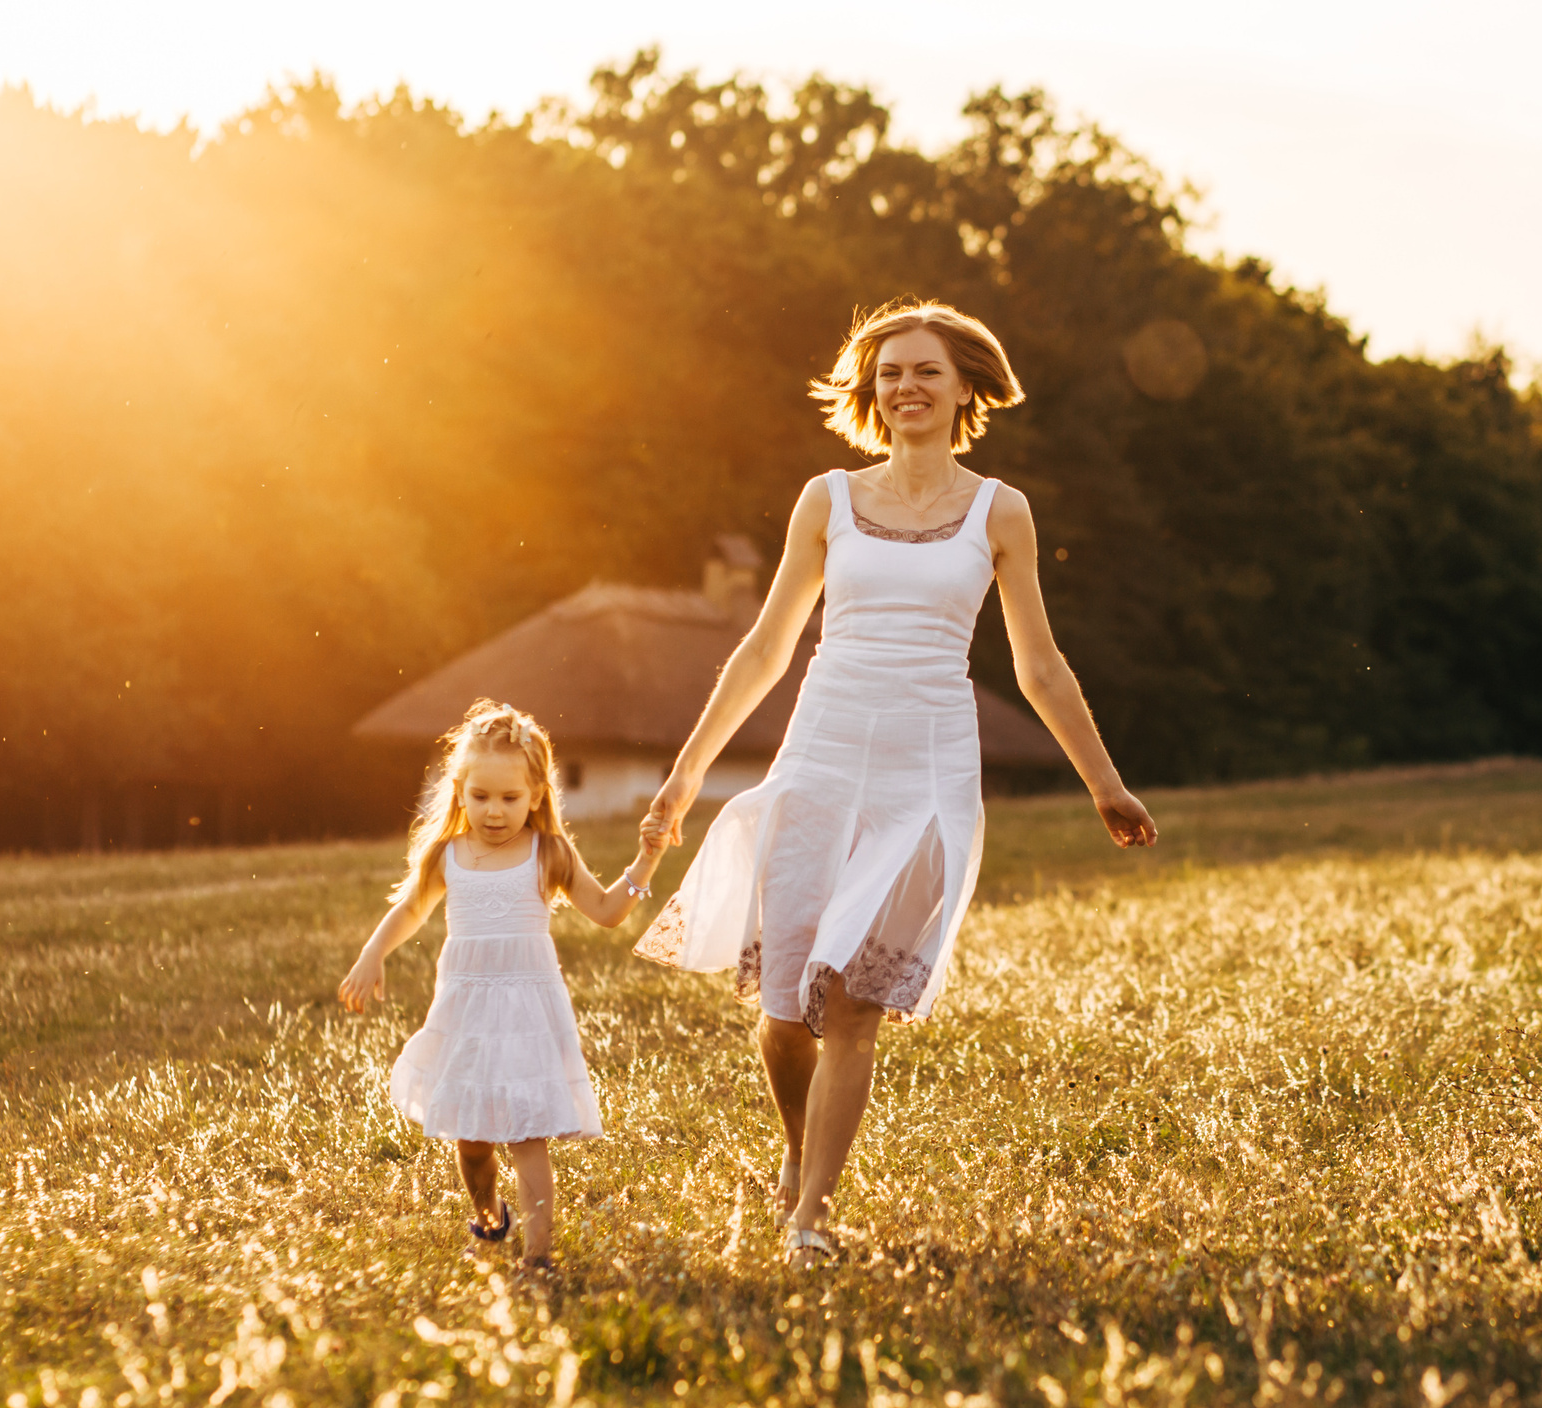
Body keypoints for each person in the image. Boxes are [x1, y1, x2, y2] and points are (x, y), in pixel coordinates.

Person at [635, 298, 1156, 1268]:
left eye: (925, 371)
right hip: (822, 752)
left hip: (925, 770)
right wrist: (684, 776)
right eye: (889, 374)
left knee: (852, 1006)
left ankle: (810, 1219)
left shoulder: (1000, 511)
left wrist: (1106, 784)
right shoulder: (825, 499)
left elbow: (1039, 665)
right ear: (868, 393)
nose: (906, 387)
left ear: (965, 387)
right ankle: (798, 1154)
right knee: (787, 1012)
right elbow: (764, 648)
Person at [339, 700, 665, 1274]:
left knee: (525, 1132)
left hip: (526, 1013)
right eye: (481, 796)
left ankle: (538, 1257)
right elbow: (410, 910)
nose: (494, 812)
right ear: (460, 791)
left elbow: (608, 911)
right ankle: (489, 1216)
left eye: (510, 798)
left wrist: (645, 861)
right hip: (465, 1009)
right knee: (472, 1138)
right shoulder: (447, 855)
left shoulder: (549, 854)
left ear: (537, 795)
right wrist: (372, 953)